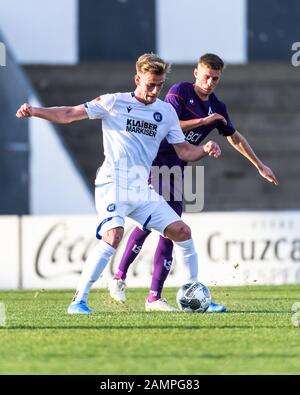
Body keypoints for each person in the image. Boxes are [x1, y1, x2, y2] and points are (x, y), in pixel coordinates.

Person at [16, 53, 222, 314]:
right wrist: (35, 111)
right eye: (150, 84)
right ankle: (78, 301)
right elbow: (69, 114)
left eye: (159, 85)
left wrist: (204, 148)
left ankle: (194, 294)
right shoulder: (113, 102)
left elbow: (183, 151)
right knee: (113, 235)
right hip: (113, 183)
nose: (155, 90)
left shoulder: (166, 111)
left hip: (141, 189)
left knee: (182, 232)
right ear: (137, 79)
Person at [108, 53, 279, 312]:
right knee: (158, 223)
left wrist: (259, 165)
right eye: (207, 76)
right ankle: (121, 278)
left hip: (178, 168)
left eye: (216, 78)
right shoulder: (180, 92)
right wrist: (204, 122)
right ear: (197, 73)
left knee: (169, 230)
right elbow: (170, 124)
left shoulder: (217, 107)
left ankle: (153, 296)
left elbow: (234, 137)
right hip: (155, 162)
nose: (210, 82)